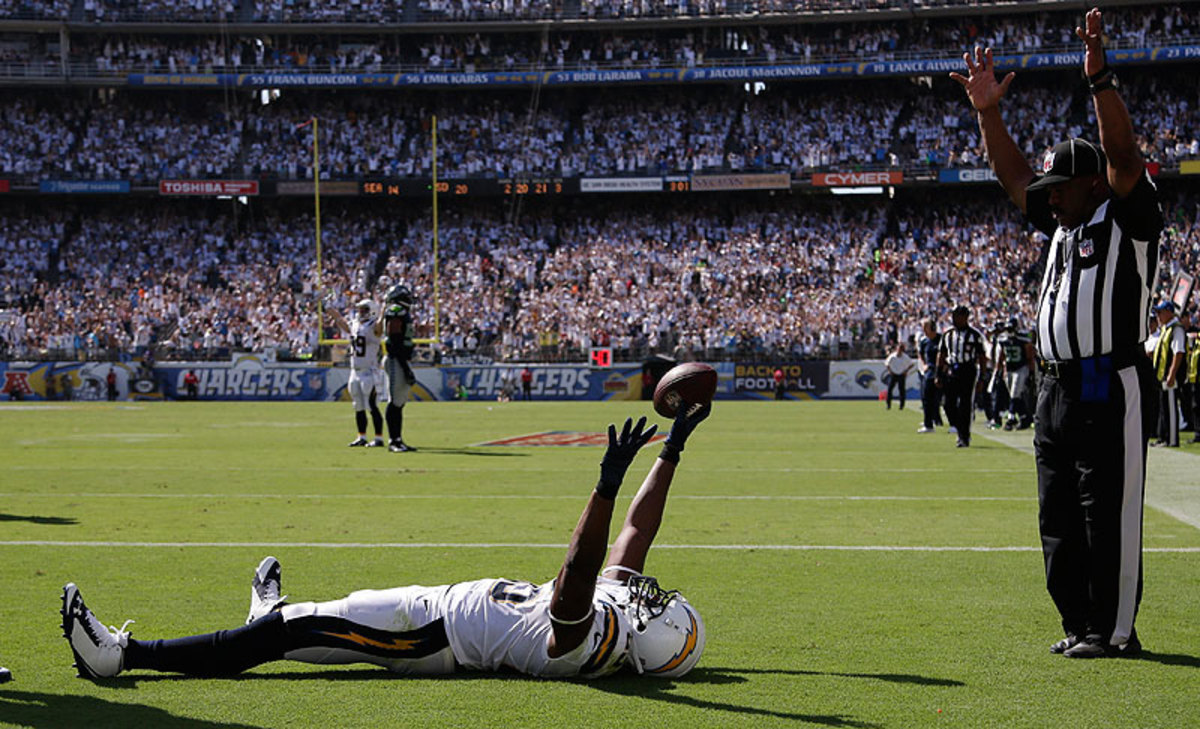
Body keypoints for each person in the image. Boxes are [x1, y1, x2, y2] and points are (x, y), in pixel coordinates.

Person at [61, 405, 712, 681]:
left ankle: (125, 656)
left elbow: (579, 569)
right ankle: (266, 619)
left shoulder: (589, 644)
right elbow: (636, 535)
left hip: (431, 636)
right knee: (315, 623)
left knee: (293, 630)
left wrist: (602, 485)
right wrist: (674, 450)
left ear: (649, 641)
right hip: (436, 608)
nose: (647, 593)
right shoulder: (626, 624)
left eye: (656, 607)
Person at [950, 7, 1163, 657]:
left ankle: (1116, 631)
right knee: (1059, 514)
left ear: (1092, 183)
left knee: (1109, 514)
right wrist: (988, 113)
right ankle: (1080, 622)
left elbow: (1124, 153)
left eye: (1060, 187)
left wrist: (1099, 80)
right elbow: (1015, 178)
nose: (1048, 197)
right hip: (1057, 386)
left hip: (1111, 378)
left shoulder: (1128, 217)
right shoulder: (1063, 224)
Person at [328, 299, 389, 448]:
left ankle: (379, 438)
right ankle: (361, 436)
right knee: (358, 405)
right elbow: (342, 322)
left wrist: (383, 311)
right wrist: (330, 310)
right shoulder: (356, 324)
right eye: (360, 309)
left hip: (370, 371)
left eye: (364, 309)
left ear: (372, 310)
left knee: (372, 405)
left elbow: (380, 329)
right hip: (355, 371)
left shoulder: (374, 325)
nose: (361, 312)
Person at [935, 305, 986, 447]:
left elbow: (982, 357)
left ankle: (964, 436)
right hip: (951, 370)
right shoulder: (948, 334)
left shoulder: (975, 335)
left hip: (968, 370)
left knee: (965, 404)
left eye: (958, 316)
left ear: (965, 317)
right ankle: (959, 428)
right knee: (948, 404)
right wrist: (938, 374)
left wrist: (982, 377)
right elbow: (942, 354)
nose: (954, 319)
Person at [382, 285, 417, 452]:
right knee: (394, 401)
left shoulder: (401, 312)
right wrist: (405, 368)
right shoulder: (396, 311)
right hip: (396, 360)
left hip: (401, 359)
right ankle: (393, 441)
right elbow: (395, 341)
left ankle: (398, 439)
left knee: (400, 402)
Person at [1150, 301, 1186, 448]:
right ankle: (1163, 437)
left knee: (1170, 408)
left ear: (1169, 312)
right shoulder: (1166, 328)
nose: (1158, 316)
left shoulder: (1176, 329)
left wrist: (1171, 374)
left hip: (1170, 376)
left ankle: (1171, 439)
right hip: (1162, 375)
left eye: (1160, 312)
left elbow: (1178, 352)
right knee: (1164, 407)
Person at [996, 317, 1036, 430]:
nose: (1009, 331)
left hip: (1021, 368)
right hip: (1008, 369)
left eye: (1011, 328)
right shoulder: (1003, 340)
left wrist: (1032, 372)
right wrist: (999, 370)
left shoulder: (1023, 339)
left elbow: (1030, 357)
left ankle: (1011, 419)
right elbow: (1001, 356)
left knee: (1015, 394)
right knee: (1015, 396)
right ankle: (1025, 418)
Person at [916, 318, 943, 433]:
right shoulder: (924, 341)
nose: (923, 330)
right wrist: (924, 364)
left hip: (941, 371)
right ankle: (928, 424)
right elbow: (920, 354)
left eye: (925, 327)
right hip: (929, 371)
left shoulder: (941, 339)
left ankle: (952, 423)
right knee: (926, 398)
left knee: (944, 399)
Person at [883, 343, 914, 410]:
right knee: (890, 390)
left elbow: (912, 364)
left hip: (901, 374)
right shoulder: (892, 356)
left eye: (901, 350)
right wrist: (890, 371)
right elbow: (886, 363)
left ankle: (901, 405)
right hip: (893, 374)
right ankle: (888, 405)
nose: (899, 351)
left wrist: (906, 371)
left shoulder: (905, 357)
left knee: (902, 390)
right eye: (898, 349)